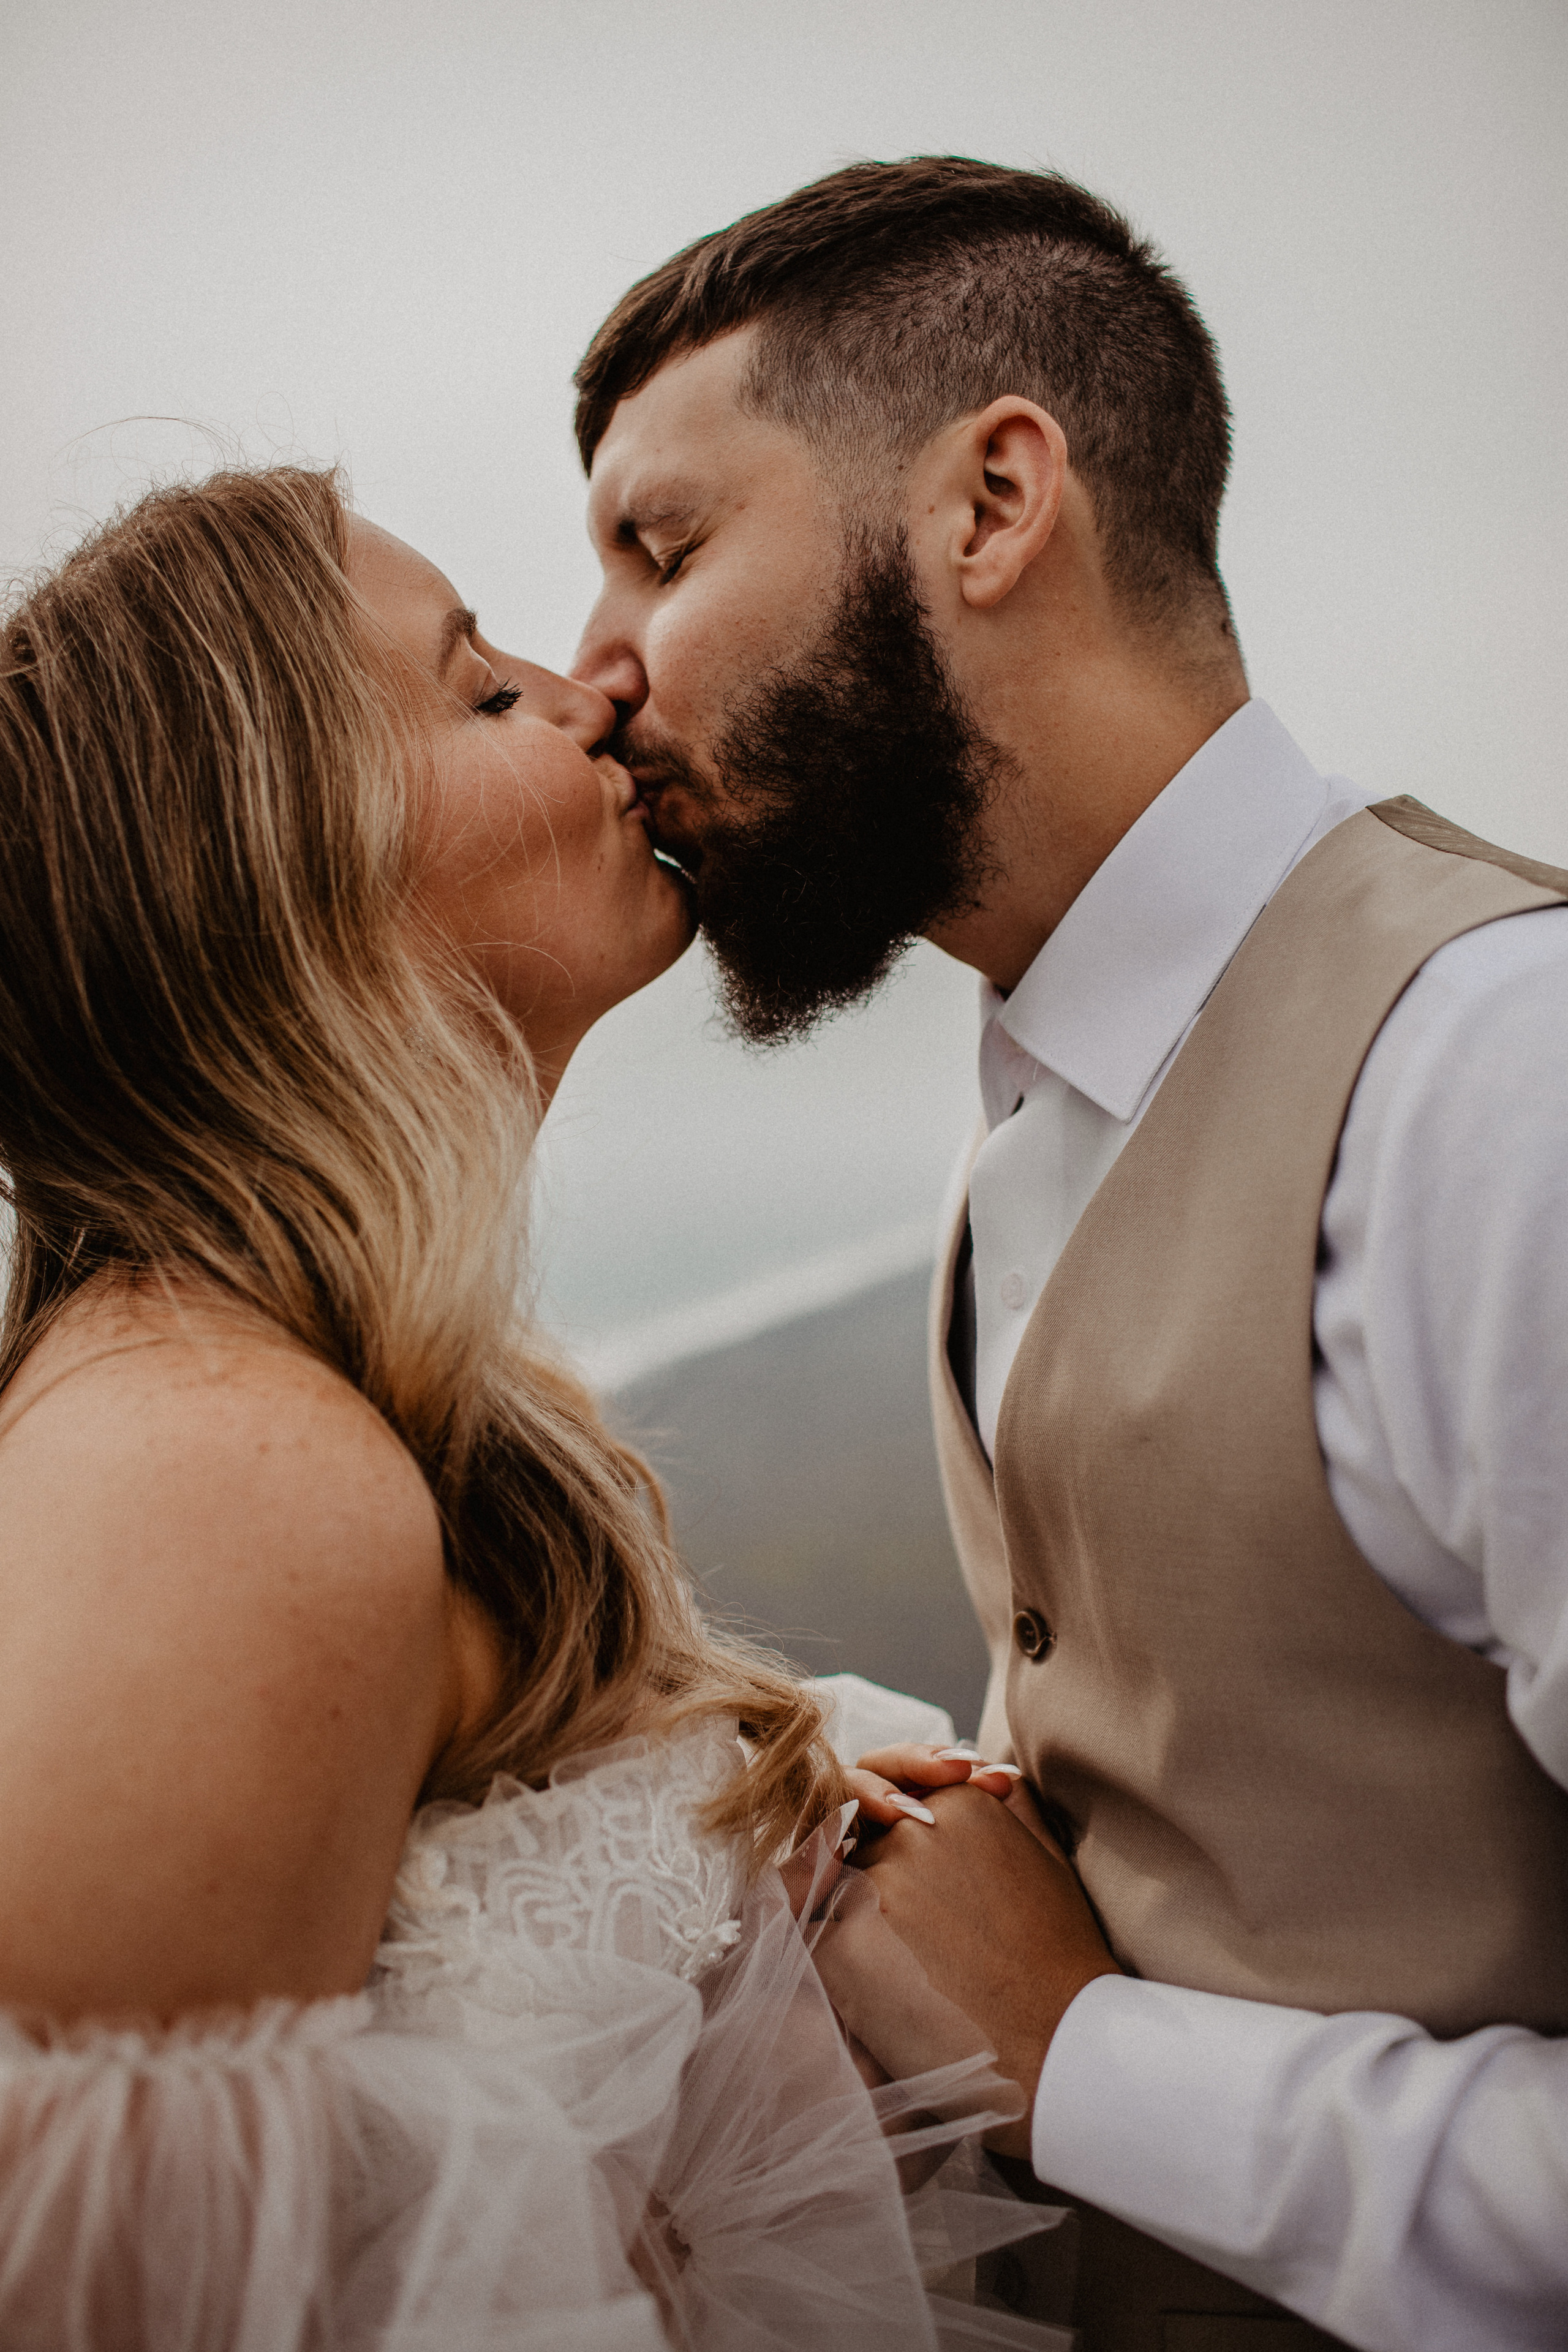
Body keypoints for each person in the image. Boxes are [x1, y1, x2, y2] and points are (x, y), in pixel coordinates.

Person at [568, 156, 1568, 2352]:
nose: (596, 676)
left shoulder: (1504, 1082)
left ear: (994, 503)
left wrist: (1084, 2062)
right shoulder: (1036, 1107)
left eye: (663, 546)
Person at [0, 464, 1067, 2350]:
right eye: (480, 692)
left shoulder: (350, 1405)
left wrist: (741, 1844)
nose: (589, 695)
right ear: (277, 880)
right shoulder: (217, 1469)